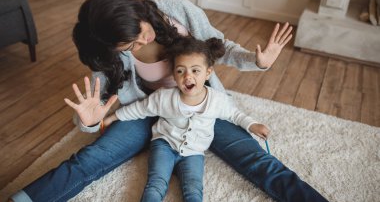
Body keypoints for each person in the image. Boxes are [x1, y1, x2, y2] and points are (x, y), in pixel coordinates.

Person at [10, 0, 328, 202]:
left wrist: (256, 61)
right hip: (148, 112)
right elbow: (93, 111)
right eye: (130, 45)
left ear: (137, 10)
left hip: (201, 104)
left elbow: (220, 46)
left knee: (258, 160)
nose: (144, 39)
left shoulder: (177, 10)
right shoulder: (110, 55)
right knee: (91, 158)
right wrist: (89, 123)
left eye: (142, 29)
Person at [65, 36, 271, 202]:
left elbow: (235, 114)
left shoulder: (217, 100)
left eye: (195, 71)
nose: (187, 76)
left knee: (193, 190)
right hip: (163, 145)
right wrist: (112, 118)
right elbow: (140, 109)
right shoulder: (165, 97)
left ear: (208, 73)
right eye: (180, 71)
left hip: (194, 152)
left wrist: (252, 124)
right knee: (156, 184)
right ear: (174, 74)